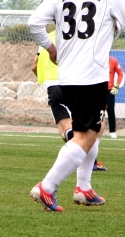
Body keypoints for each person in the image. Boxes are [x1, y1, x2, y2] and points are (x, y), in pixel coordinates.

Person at [28, 0, 125, 211]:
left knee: (93, 129)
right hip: (91, 76)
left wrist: (51, 48)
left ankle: (84, 187)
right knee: (86, 136)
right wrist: (115, 24)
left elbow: (34, 23)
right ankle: (47, 186)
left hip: (66, 75)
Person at [31, 30, 108, 171]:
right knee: (90, 125)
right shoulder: (80, 33)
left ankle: (82, 162)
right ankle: (89, 162)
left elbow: (34, 66)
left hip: (54, 86)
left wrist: (44, 81)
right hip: (76, 84)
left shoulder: (47, 38)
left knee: (66, 129)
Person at [106, 55, 124, 139]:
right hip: (98, 90)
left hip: (110, 91)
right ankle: (94, 130)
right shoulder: (96, 59)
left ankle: (112, 131)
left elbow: (120, 73)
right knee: (96, 111)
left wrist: (116, 86)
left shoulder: (113, 61)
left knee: (110, 111)